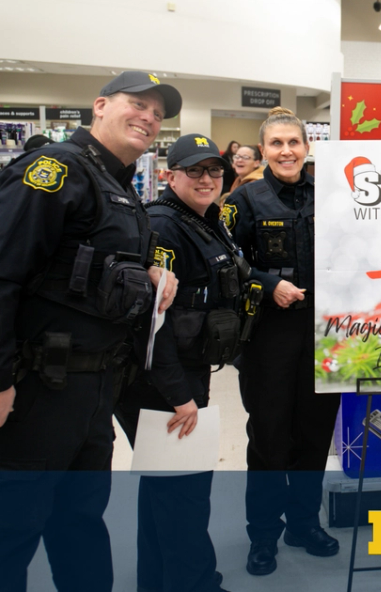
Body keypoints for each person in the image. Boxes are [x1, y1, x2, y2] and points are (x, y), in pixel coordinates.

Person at [0, 70, 180, 592]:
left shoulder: (118, 186)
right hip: (36, 392)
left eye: (157, 113)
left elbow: (97, 261)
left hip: (93, 392)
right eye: (137, 105)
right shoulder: (55, 171)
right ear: (100, 105)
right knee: (12, 532)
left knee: (80, 522)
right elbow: (4, 273)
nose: (148, 118)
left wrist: (151, 273)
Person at [115, 134, 251, 592]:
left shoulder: (205, 219)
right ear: (171, 175)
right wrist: (179, 396)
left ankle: (159, 581)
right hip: (164, 382)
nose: (206, 178)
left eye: (214, 170)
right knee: (185, 493)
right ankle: (194, 583)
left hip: (185, 371)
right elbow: (150, 325)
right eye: (194, 170)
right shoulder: (164, 226)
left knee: (165, 489)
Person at [226, 107, 340, 576]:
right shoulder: (244, 200)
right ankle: (263, 535)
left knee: (314, 436)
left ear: (307, 148)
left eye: (294, 142)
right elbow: (226, 258)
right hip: (268, 335)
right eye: (276, 143)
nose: (286, 151)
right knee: (269, 437)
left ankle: (304, 524)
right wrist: (266, 282)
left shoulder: (332, 194)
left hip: (324, 334)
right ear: (263, 150)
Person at [220, 145, 264, 210]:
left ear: (256, 163)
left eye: (245, 157)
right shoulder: (239, 180)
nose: (239, 160)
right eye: (237, 157)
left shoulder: (258, 184)